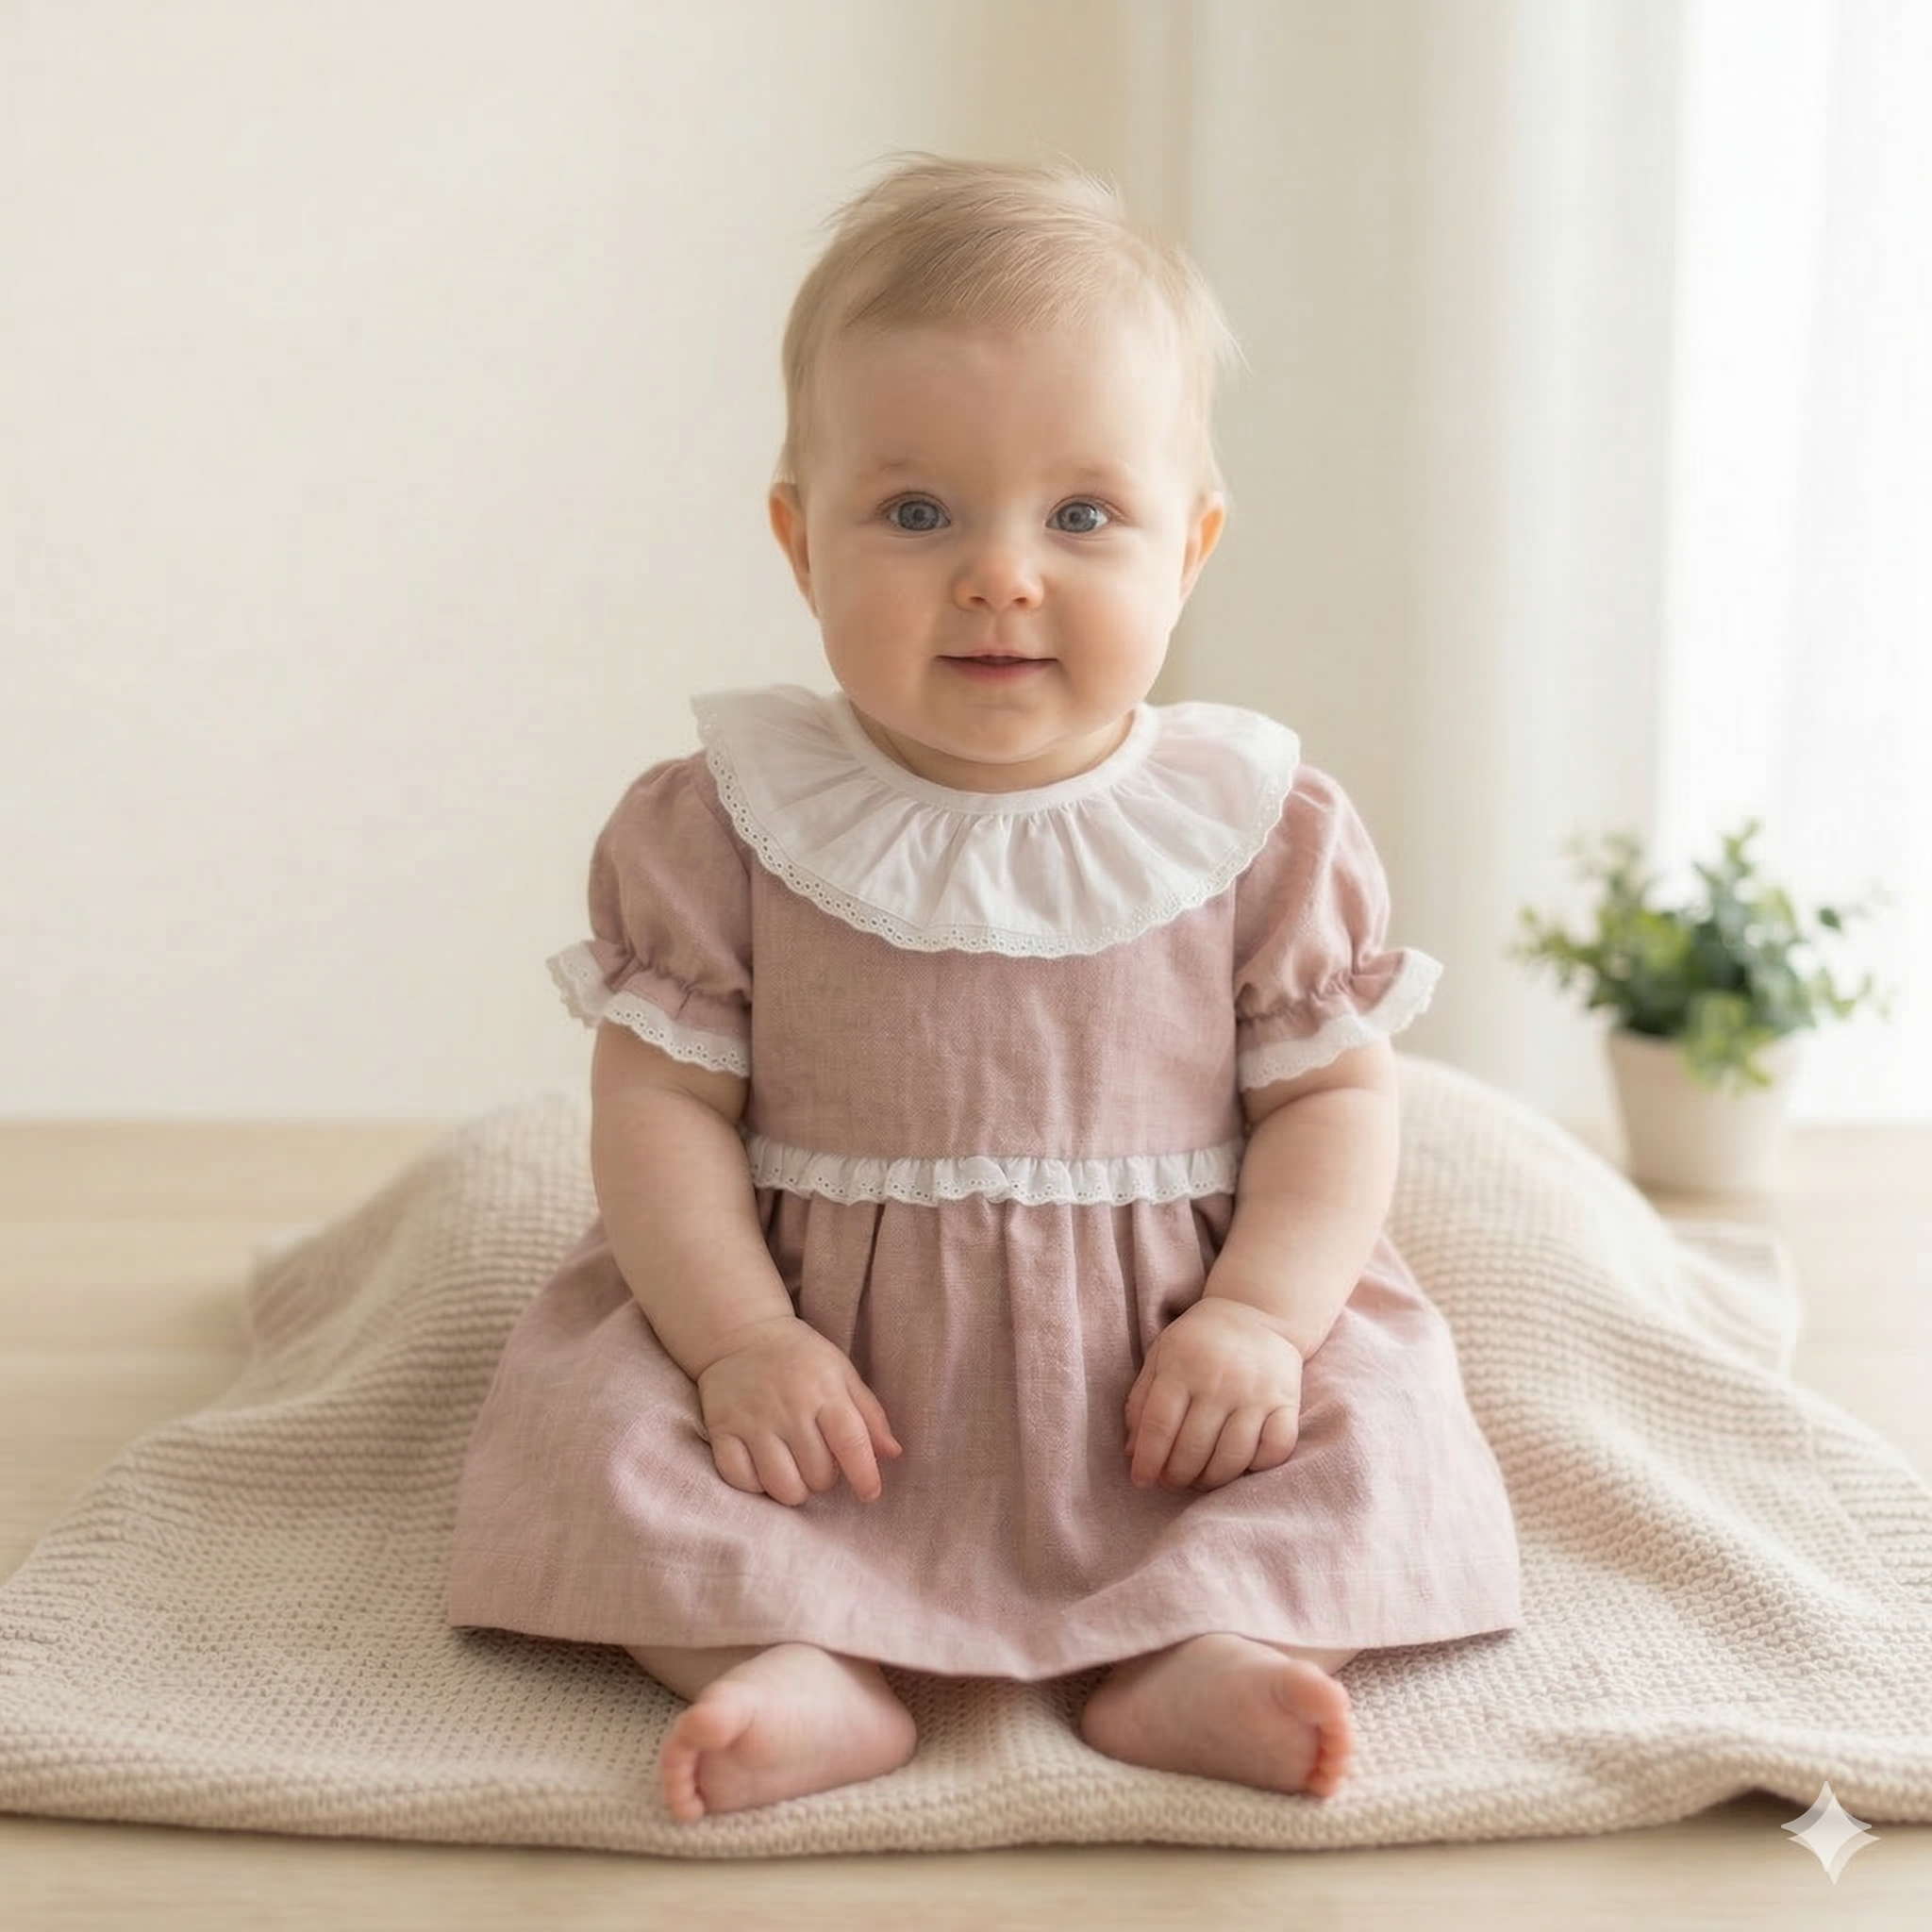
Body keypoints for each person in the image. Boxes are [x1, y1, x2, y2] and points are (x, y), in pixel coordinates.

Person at [447, 155, 1520, 1824]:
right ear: (801, 545)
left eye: (1082, 516)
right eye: (919, 512)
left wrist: (1259, 1317)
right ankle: (791, 1658)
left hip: (1163, 1382)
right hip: (829, 1380)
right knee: (602, 1436)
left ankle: (1200, 1643)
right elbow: (661, 1108)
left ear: (1195, 546)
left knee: (1378, 1427)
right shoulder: (718, 824)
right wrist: (736, 1343)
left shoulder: (1258, 831)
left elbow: (1330, 1103)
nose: (1002, 574)